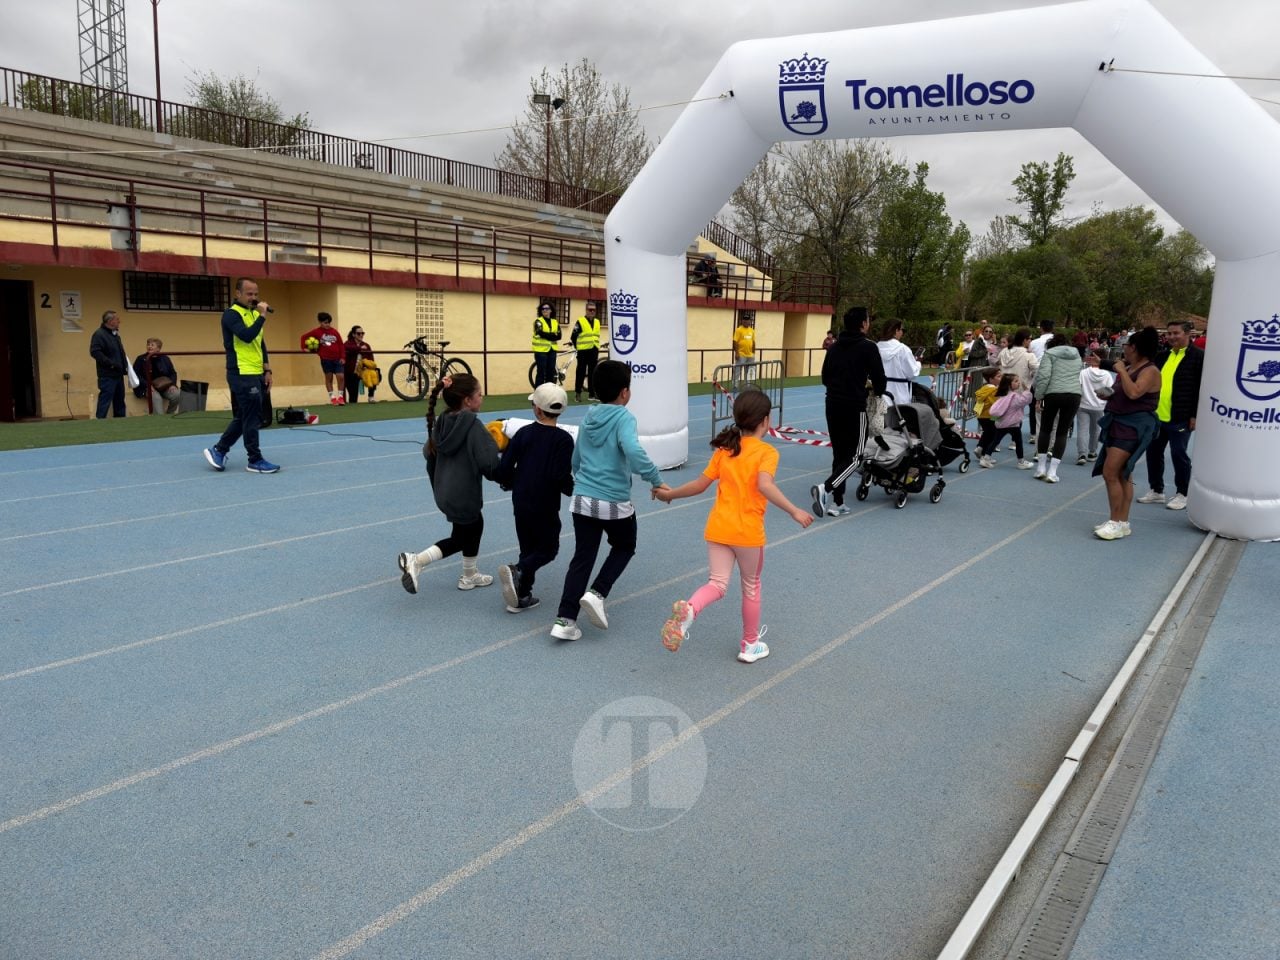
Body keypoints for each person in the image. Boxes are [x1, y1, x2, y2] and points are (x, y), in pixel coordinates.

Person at [656, 389, 813, 664]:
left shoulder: (725, 450)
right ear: (765, 420)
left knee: (717, 584)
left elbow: (699, 485)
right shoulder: (767, 452)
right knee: (751, 585)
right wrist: (794, 510)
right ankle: (750, 644)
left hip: (718, 529)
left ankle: (690, 609)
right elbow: (765, 485)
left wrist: (670, 494)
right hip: (747, 533)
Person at [550, 360, 669, 641]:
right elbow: (633, 450)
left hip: (582, 499)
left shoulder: (588, 417)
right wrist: (655, 479)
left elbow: (576, 459)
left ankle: (565, 620)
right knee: (625, 545)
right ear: (625, 392)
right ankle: (597, 592)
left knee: (582, 557)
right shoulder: (624, 418)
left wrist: (584, 482)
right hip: (613, 500)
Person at [397, 373, 500, 593]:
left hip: (444, 490)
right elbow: (489, 463)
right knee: (463, 537)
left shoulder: (442, 421)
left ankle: (469, 575)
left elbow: (428, 452)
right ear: (467, 400)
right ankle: (417, 560)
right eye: (479, 394)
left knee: (472, 526)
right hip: (463, 494)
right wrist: (510, 477)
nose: (482, 397)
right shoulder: (473, 426)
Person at [494, 383, 575, 613]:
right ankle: (518, 571)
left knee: (527, 546)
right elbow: (561, 475)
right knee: (549, 549)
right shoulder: (564, 440)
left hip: (521, 499)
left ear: (537, 409)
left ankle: (522, 594)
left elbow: (505, 467)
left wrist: (509, 482)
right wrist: (574, 490)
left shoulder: (523, 433)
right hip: (546, 503)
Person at [812, 306, 887, 516]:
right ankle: (826, 488)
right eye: (868, 320)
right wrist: (870, 388)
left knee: (840, 454)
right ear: (863, 324)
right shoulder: (868, 347)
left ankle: (838, 502)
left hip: (832, 404)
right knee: (856, 456)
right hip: (855, 407)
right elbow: (880, 382)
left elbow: (825, 378)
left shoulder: (834, 347)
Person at [203, 278, 279, 474]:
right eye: (249, 294)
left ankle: (219, 450)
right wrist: (262, 316)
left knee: (247, 415)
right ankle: (254, 459)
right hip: (241, 372)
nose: (253, 297)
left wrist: (267, 370)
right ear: (238, 294)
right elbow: (246, 336)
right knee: (252, 418)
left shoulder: (253, 313)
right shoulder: (231, 314)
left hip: (256, 372)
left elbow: (260, 343)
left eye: (256, 294)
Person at [1093, 327, 1163, 540]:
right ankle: (1122, 522)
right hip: (1117, 422)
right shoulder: (1132, 367)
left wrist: (1121, 371)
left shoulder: (1150, 370)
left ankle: (1115, 522)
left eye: (1126, 346)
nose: (1123, 349)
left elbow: (1134, 393)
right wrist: (1107, 395)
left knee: (1110, 473)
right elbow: (1122, 390)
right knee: (1123, 474)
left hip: (1133, 426)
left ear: (1134, 348)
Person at [1136, 320, 1205, 512]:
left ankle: (1183, 493)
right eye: (1169, 333)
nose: (1171, 337)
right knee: (1153, 453)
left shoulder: (1199, 357)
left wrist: (1195, 415)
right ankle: (1156, 490)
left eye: (1176, 333)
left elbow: (1201, 388)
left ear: (1188, 334)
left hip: (1180, 416)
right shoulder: (1162, 356)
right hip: (1157, 416)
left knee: (1178, 454)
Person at [1032, 333, 1084, 482]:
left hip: (1053, 394)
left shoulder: (1049, 354)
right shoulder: (1076, 354)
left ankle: (1041, 468)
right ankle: (1052, 472)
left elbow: (1043, 377)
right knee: (1062, 432)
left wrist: (1038, 397)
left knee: (1045, 429)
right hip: (1073, 394)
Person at [985, 374, 1036, 469]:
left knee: (995, 441)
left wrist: (995, 420)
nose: (1018, 383)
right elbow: (1025, 400)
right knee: (1019, 442)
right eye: (1016, 381)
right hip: (1013, 424)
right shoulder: (1014, 396)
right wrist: (1026, 391)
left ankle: (986, 458)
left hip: (1002, 423)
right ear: (1009, 384)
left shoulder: (1003, 395)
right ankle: (1021, 462)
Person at [1075, 349, 1115, 465]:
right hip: (1099, 406)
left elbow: (1078, 387)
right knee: (1096, 430)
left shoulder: (1083, 373)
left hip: (1083, 404)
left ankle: (1081, 454)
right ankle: (1092, 452)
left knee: (1082, 430)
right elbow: (1110, 390)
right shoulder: (1107, 374)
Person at [299, 312, 347, 405]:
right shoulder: (316, 332)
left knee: (341, 376)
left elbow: (341, 345)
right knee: (329, 378)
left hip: (337, 359)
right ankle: (332, 398)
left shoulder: (334, 332)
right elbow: (303, 337)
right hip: (326, 359)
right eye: (325, 323)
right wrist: (303, 348)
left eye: (329, 322)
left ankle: (341, 397)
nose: (327, 324)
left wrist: (343, 357)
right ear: (320, 322)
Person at [89, 309, 129, 419]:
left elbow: (120, 352)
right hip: (107, 375)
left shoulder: (115, 335)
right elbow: (95, 352)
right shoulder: (99, 334)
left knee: (120, 400)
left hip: (118, 373)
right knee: (105, 400)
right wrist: (111, 364)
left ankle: (120, 421)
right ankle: (100, 421)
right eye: (117, 319)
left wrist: (124, 365)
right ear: (110, 321)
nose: (119, 321)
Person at [876, 318, 921, 406]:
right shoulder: (903, 349)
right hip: (899, 395)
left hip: (881, 394)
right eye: (902, 330)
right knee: (899, 413)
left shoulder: (875, 348)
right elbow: (912, 374)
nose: (902, 333)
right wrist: (918, 364)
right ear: (896, 330)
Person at [132, 337, 181, 414]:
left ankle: (169, 414)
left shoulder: (165, 358)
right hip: (147, 387)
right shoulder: (141, 359)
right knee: (157, 398)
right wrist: (147, 385)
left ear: (158, 348)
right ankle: (159, 418)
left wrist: (173, 385)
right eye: (148, 345)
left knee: (177, 394)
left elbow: (172, 373)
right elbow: (136, 375)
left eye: (152, 345)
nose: (149, 346)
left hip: (164, 386)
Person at [570, 301, 603, 403]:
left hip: (594, 349)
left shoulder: (597, 322)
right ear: (586, 310)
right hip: (583, 351)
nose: (592, 312)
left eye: (594, 310)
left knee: (593, 372)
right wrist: (578, 347)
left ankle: (592, 394)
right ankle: (578, 393)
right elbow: (573, 336)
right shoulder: (580, 321)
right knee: (581, 372)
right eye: (590, 309)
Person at [972, 367, 1003, 467]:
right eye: (998, 376)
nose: (1001, 378)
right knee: (993, 434)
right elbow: (996, 404)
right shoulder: (994, 390)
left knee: (988, 432)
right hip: (990, 415)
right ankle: (984, 454)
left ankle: (980, 448)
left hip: (981, 415)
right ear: (991, 379)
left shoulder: (984, 389)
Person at [343, 326, 377, 404]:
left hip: (363, 370)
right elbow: (347, 347)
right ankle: (353, 404)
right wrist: (360, 348)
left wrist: (367, 365)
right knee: (353, 395)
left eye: (362, 333)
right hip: (351, 372)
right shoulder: (348, 343)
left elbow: (371, 358)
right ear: (353, 334)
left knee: (374, 373)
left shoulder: (366, 345)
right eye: (358, 333)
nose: (361, 335)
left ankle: (371, 396)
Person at [531, 303, 560, 388]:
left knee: (550, 372)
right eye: (543, 309)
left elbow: (559, 336)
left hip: (552, 350)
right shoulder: (538, 321)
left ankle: (549, 392)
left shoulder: (555, 322)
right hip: (540, 351)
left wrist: (547, 335)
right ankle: (538, 393)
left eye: (547, 308)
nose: (544, 310)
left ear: (551, 310)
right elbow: (540, 333)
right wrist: (552, 335)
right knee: (541, 373)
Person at [731, 313, 757, 386]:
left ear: (750, 321)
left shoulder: (752, 330)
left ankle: (747, 385)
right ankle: (735, 385)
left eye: (747, 320)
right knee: (737, 370)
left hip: (750, 355)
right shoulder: (738, 330)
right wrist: (736, 353)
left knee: (748, 372)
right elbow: (735, 341)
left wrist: (753, 353)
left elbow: (753, 342)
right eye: (744, 320)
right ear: (742, 321)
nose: (746, 321)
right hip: (741, 354)